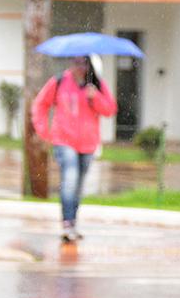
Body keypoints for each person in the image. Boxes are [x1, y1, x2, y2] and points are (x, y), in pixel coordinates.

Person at [32, 56, 117, 242]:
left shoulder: (96, 85)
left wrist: (96, 97)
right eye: (76, 62)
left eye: (84, 63)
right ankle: (67, 223)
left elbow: (110, 110)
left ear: (89, 65)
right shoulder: (59, 81)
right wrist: (44, 132)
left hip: (87, 143)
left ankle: (73, 222)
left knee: (78, 186)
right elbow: (40, 105)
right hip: (64, 140)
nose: (80, 67)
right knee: (70, 180)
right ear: (70, 63)